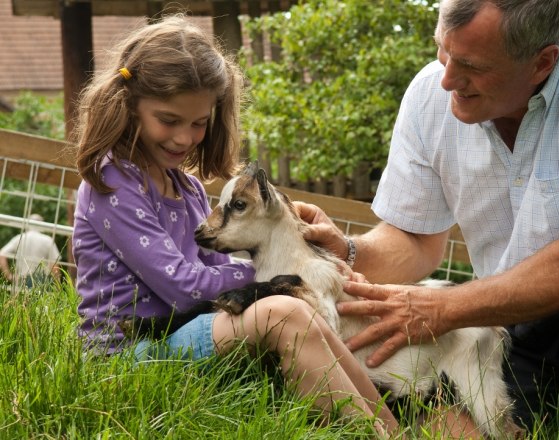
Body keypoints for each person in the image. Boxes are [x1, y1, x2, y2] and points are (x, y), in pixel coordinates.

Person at [297, 0, 559, 438]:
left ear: (542, 63)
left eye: (471, 66)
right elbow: (414, 240)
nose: (447, 79)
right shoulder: (429, 94)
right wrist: (349, 252)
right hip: (505, 313)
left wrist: (444, 309)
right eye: (443, 50)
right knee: (454, 429)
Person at [71, 15, 398, 436]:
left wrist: (298, 274)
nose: (185, 138)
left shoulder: (186, 187)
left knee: (298, 306)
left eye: (199, 123)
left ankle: (392, 431)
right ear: (128, 104)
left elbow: (216, 268)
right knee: (284, 311)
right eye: (169, 120)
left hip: (183, 333)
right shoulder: (113, 181)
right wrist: (285, 275)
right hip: (126, 354)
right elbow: (183, 288)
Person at [0, 213, 61, 290]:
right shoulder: (48, 240)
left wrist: (8, 275)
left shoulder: (19, 238)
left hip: (22, 279)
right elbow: (54, 265)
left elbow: (1, 254)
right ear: (42, 225)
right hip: (41, 281)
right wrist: (58, 285)